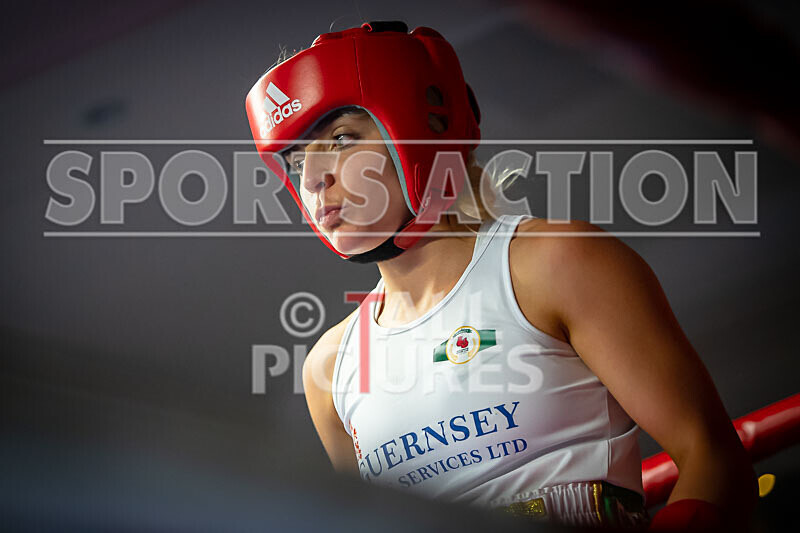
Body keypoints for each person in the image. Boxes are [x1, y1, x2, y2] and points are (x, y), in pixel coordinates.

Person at [245, 21, 758, 530]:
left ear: (416, 130)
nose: (314, 178)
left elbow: (711, 457)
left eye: (341, 139)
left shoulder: (554, 263)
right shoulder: (330, 368)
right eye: (297, 161)